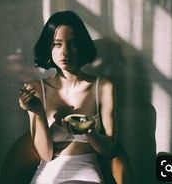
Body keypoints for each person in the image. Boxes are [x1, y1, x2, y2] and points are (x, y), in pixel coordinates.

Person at [19, 11, 118, 184]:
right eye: (57, 44)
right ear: (48, 48)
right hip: (48, 173)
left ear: (83, 47)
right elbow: (45, 155)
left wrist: (89, 133)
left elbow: (110, 150)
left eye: (73, 44)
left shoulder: (103, 87)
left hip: (87, 171)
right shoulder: (35, 88)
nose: (65, 52)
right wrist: (38, 112)